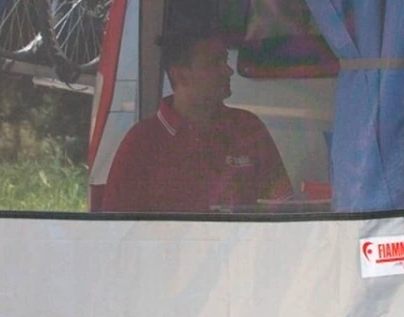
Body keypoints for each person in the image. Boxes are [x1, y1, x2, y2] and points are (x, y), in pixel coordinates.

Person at [101, 31, 291, 212]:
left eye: (225, 60)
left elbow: (283, 206)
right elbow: (118, 227)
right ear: (181, 76)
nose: (228, 70)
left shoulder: (248, 127)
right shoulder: (141, 143)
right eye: (215, 63)